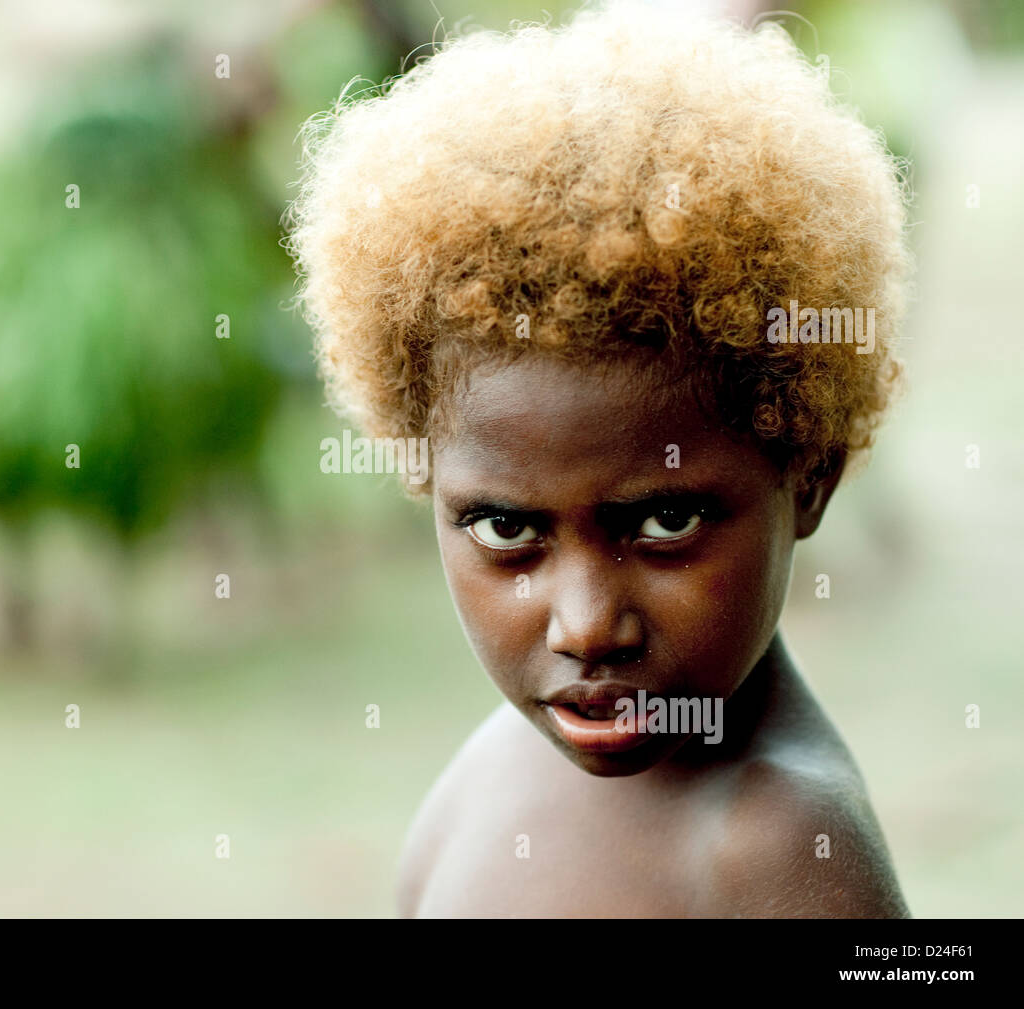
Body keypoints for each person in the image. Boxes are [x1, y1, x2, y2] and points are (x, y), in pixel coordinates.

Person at [284, 0, 911, 917]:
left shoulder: (780, 848)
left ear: (807, 475)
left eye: (665, 522)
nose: (584, 626)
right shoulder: (482, 778)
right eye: (506, 528)